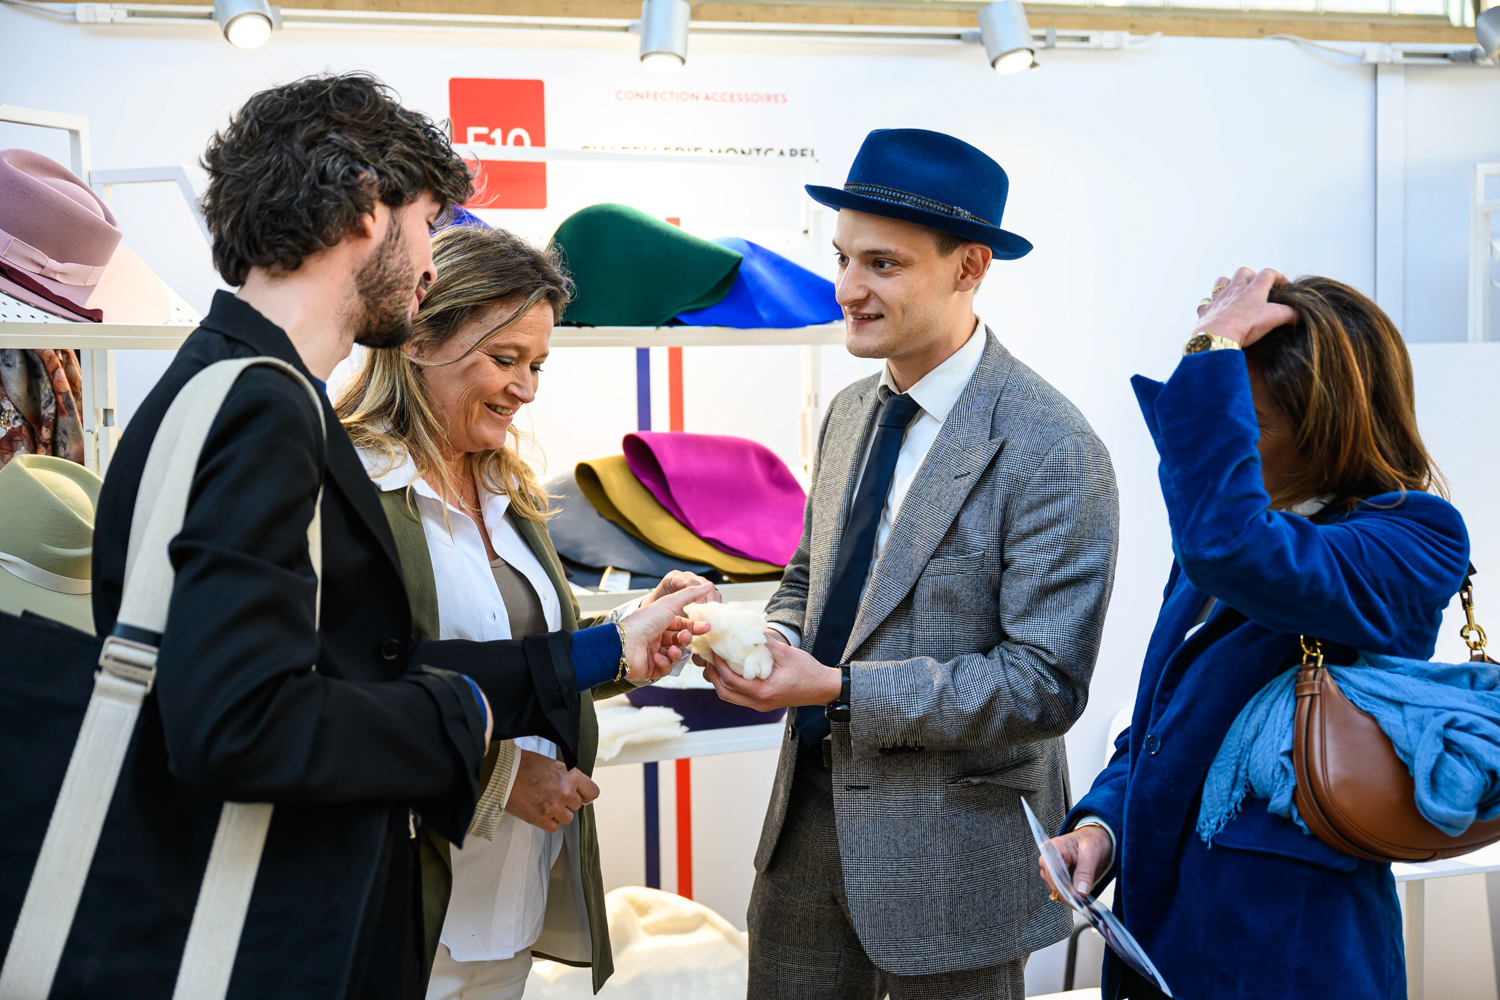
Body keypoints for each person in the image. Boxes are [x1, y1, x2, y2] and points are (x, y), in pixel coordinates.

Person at [86, 73, 706, 1000]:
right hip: (282, 921)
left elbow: (342, 661)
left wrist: (595, 653)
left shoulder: (230, 383)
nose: (428, 259)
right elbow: (239, 724)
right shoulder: (263, 409)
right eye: (427, 223)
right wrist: (460, 721)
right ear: (369, 209)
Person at [699, 128, 1120, 999]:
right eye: (844, 258)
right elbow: (811, 579)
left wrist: (840, 691)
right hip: (803, 837)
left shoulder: (1052, 446)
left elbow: (1042, 684)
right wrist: (762, 640)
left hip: (953, 861)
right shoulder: (852, 410)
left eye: (882, 265)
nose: (847, 289)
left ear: (970, 268)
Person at [1042, 269, 1470, 1000]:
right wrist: (1102, 829)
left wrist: (1213, 345)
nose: (1230, 441)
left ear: (1327, 427)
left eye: (1249, 421)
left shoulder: (1413, 536)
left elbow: (1231, 543)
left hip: (1290, 956)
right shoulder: (1226, 545)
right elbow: (1166, 723)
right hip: (1163, 943)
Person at [337, 223, 720, 999]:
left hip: (511, 897)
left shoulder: (507, 489)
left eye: (537, 364)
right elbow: (353, 691)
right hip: (400, 899)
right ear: (418, 341)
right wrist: (502, 776)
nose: (527, 389)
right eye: (505, 359)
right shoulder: (351, 486)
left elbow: (530, 658)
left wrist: (627, 643)